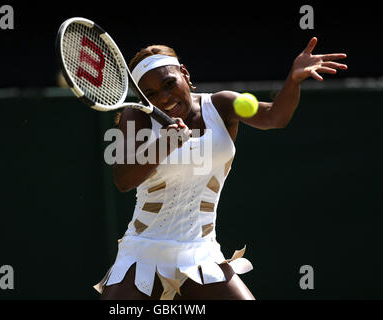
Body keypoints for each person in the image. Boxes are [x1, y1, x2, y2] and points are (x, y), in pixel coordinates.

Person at [94, 37, 347, 300]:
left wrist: (293, 81)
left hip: (202, 254)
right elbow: (123, 180)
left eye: (169, 84)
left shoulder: (222, 105)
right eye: (152, 95)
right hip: (143, 254)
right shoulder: (135, 118)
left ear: (185, 74)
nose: (164, 97)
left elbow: (274, 116)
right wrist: (164, 144)